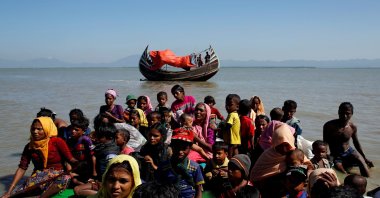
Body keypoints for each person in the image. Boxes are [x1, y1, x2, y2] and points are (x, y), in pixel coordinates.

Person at [1, 117, 77, 198]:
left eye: (39, 129)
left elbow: (70, 159)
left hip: (58, 175)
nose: (35, 132)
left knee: (64, 178)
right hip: (38, 176)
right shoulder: (29, 147)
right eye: (33, 129)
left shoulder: (57, 141)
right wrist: (9, 191)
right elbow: (22, 168)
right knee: (17, 194)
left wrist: (79, 163)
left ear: (47, 129)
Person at [323, 102, 373, 177]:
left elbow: (356, 143)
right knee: (343, 173)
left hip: (349, 151)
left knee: (364, 165)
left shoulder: (352, 127)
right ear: (338, 112)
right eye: (342, 113)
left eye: (347, 113)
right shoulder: (329, 126)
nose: (344, 116)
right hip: (336, 154)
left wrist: (364, 158)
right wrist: (327, 155)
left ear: (352, 114)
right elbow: (325, 142)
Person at [164, 129, 205, 198]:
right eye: (177, 147)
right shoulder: (164, 166)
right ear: (172, 146)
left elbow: (199, 189)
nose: (180, 151)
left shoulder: (195, 167)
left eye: (184, 148)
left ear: (190, 148)